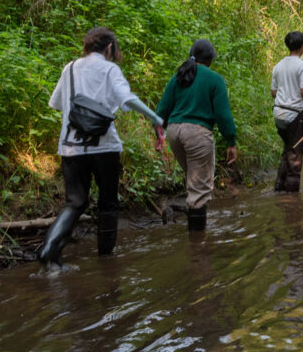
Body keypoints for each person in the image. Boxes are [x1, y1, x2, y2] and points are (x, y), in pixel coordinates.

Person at [38, 27, 165, 266]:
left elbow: (55, 103)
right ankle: (106, 260)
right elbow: (127, 99)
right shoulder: (109, 69)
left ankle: (49, 251)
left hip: (70, 148)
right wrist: (155, 118)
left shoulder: (70, 68)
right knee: (107, 202)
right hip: (104, 147)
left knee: (75, 202)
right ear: (109, 48)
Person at [156, 39, 237, 232]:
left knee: (194, 183)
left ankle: (196, 236)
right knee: (199, 190)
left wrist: (159, 135)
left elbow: (161, 111)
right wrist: (231, 141)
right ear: (210, 59)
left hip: (174, 131)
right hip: (197, 134)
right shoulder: (214, 79)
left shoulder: (179, 76)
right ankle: (198, 246)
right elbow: (223, 115)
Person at [271, 31, 303, 192]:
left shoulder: (278, 65)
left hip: (279, 113)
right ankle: (291, 196)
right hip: (295, 115)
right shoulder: (302, 66)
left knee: (288, 149)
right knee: (295, 154)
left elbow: (273, 92)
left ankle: (279, 187)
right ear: (302, 47)